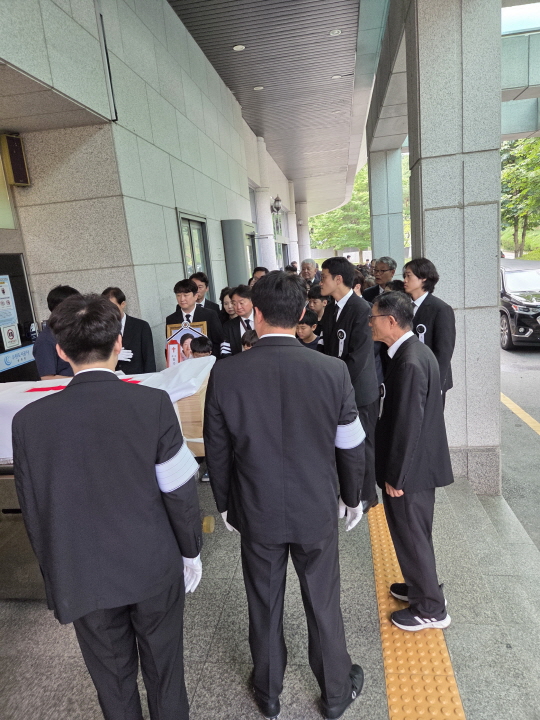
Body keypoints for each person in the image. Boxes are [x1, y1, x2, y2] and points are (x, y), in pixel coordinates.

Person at [12, 294, 203, 720]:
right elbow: (179, 490)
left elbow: (34, 511)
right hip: (152, 565)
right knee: (165, 670)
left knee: (112, 681)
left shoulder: (28, 421)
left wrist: (55, 576)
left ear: (61, 351)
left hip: (82, 572)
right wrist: (191, 550)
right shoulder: (153, 404)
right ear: (119, 343)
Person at [204, 271, 365, 720]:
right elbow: (351, 443)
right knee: (323, 600)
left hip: (256, 508)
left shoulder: (226, 372)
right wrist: (352, 495)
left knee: (264, 599)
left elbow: (217, 448)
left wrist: (224, 503)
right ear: (300, 313)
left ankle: (269, 691)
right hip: (316, 505)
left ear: (255, 313)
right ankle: (335, 693)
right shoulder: (332, 370)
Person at [369, 291, 453, 631]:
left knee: (412, 535)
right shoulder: (413, 352)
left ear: (391, 321)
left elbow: (408, 424)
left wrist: (396, 476)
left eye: (373, 318)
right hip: (419, 466)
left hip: (411, 472)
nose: (369, 324)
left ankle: (431, 609)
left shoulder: (409, 361)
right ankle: (422, 587)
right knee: (415, 534)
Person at [319, 257, 380, 513]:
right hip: (339, 388)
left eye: (323, 277)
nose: (320, 282)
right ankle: (349, 491)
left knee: (363, 444)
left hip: (360, 391)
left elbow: (359, 357)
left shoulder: (362, 309)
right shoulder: (331, 308)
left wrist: (337, 385)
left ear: (338, 279)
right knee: (343, 442)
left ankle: (368, 495)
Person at [403, 258, 456, 404]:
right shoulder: (404, 305)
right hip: (408, 375)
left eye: (409, 276)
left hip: (430, 377)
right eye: (404, 276)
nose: (405, 280)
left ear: (423, 278)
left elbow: (444, 351)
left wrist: (435, 384)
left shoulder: (440, 309)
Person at [102, 287, 156, 374]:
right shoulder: (101, 328)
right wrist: (113, 356)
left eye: (113, 307)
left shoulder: (141, 326)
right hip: (111, 378)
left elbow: (149, 359)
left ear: (123, 304)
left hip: (137, 377)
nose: (110, 311)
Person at [166, 279, 224, 358]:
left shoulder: (210, 315)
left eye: (186, 295)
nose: (182, 299)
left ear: (195, 296)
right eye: (178, 295)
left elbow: (218, 342)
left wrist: (211, 360)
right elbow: (170, 345)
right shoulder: (171, 319)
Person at [32, 285, 79, 380]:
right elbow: (47, 378)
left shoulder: (72, 331)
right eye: (76, 306)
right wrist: (80, 379)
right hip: (68, 387)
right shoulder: (45, 340)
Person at [221, 285, 254, 356]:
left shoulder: (265, 320)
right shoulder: (228, 326)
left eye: (241, 303)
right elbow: (225, 352)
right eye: (234, 304)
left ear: (252, 301)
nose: (238, 307)